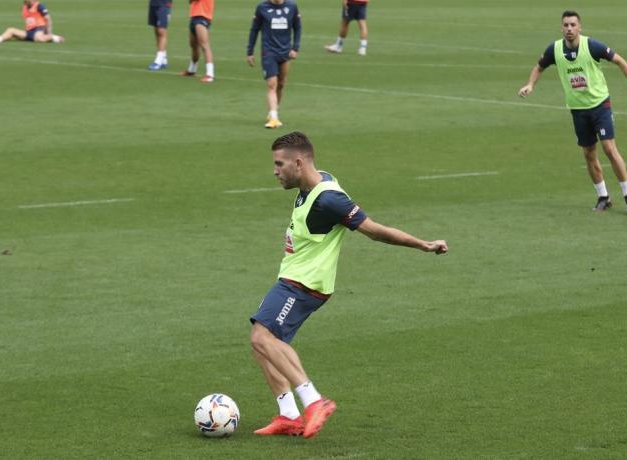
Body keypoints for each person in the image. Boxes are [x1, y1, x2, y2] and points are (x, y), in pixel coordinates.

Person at [250, 132, 448, 438]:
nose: (275, 171)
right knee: (268, 343)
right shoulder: (314, 181)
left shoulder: (328, 199)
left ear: (299, 163)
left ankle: (314, 401)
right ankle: (289, 415)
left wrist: (423, 244)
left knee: (262, 338)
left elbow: (374, 230)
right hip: (292, 277)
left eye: (279, 164)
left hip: (304, 283)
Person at [518, 10, 627, 214]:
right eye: (566, 25)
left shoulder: (592, 46)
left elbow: (619, 60)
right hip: (578, 110)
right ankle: (603, 196)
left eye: (573, 25)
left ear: (580, 27)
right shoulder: (555, 49)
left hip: (599, 105)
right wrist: (530, 85)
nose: (569, 29)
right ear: (561, 28)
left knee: (609, 149)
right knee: (588, 153)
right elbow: (539, 66)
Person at [247, 0, 301, 129]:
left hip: (285, 52)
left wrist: (295, 48)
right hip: (269, 52)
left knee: (281, 84)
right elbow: (254, 29)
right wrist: (250, 51)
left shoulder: (292, 6)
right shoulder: (262, 8)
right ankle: (274, 117)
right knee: (272, 84)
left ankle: (273, 112)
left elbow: (297, 27)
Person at [0, 1, 64, 44]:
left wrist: (48, 32)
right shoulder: (25, 7)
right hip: (29, 32)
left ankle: (55, 37)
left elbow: (48, 18)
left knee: (39, 38)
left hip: (39, 29)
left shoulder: (39, 5)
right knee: (11, 30)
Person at [181, 0, 215, 83]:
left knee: (204, 45)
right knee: (193, 46)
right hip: (194, 17)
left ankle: (210, 75)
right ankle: (191, 70)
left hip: (202, 16)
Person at [147, 0, 171, 71]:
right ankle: (163, 59)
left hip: (164, 4)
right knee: (156, 31)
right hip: (153, 4)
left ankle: (158, 61)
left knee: (162, 31)